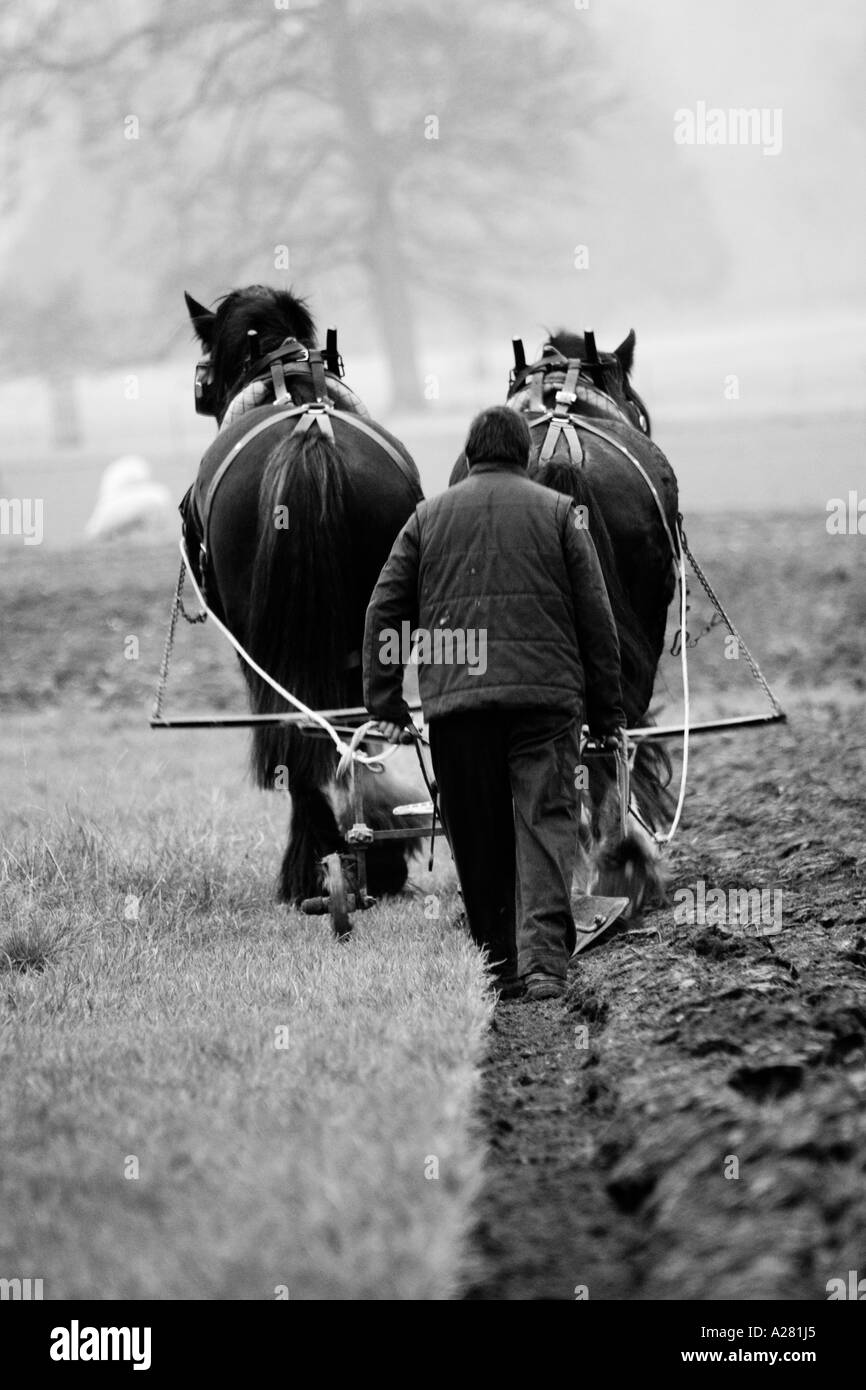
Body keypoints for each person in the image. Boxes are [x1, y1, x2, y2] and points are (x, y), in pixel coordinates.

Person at [362, 405, 625, 1001]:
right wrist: (607, 714)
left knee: (476, 832)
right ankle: (544, 967)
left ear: (471, 454)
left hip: (458, 708)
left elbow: (384, 610)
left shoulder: (426, 518)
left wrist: (385, 700)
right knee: (545, 825)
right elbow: (597, 619)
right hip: (544, 702)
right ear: (523, 456)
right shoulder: (561, 514)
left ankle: (498, 966)